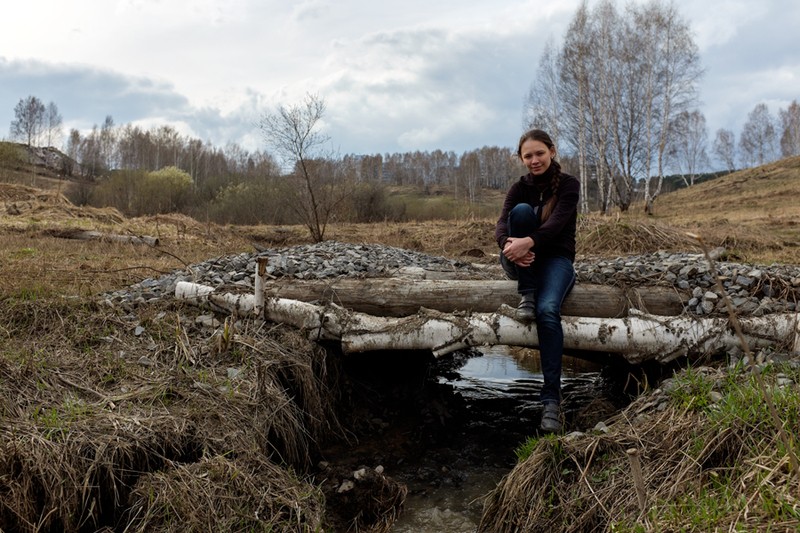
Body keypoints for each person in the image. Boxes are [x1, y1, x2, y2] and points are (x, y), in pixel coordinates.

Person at [494, 128, 579, 433]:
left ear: (552, 151)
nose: (534, 160)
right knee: (519, 211)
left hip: (556, 259)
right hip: (521, 261)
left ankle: (551, 400)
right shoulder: (519, 188)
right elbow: (502, 224)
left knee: (547, 312)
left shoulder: (569, 185)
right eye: (527, 155)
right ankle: (526, 293)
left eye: (539, 153)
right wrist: (510, 246)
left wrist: (528, 242)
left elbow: (556, 226)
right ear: (521, 158)